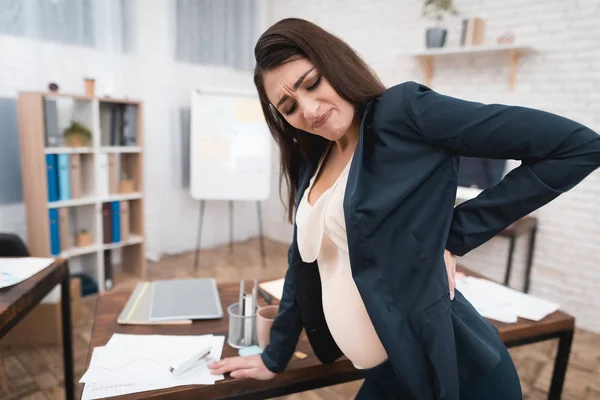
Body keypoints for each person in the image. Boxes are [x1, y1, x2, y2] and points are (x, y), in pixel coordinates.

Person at [208, 17, 600, 400]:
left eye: (312, 83)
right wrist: (274, 357)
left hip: (452, 370)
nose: (308, 110)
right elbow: (303, 264)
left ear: (335, 64)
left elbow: (577, 147)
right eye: (289, 107)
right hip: (391, 374)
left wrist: (449, 238)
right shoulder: (315, 155)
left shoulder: (403, 113)